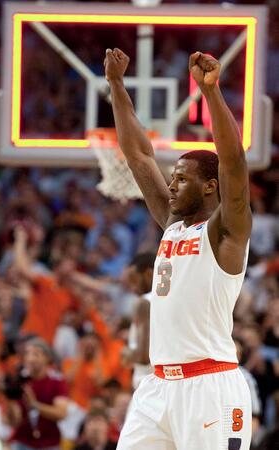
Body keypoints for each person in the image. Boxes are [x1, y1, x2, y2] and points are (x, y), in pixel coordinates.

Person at [104, 48, 252, 449]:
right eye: (173, 177)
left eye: (181, 179)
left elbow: (234, 164)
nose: (171, 185)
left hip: (209, 386)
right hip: (158, 387)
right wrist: (117, 86)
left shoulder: (226, 233)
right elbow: (138, 155)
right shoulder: (172, 226)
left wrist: (211, 93)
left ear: (209, 186)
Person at [6, 337, 68, 450]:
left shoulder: (56, 382)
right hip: (22, 440)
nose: (30, 358)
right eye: (27, 354)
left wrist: (35, 405)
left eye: (36, 354)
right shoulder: (20, 381)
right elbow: (14, 421)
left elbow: (61, 413)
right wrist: (10, 400)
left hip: (48, 441)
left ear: (47, 358)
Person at [122, 252, 156, 389]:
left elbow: (144, 357)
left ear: (148, 274)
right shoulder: (172, 299)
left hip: (148, 382)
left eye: (134, 280)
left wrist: (127, 353)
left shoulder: (144, 302)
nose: (133, 288)